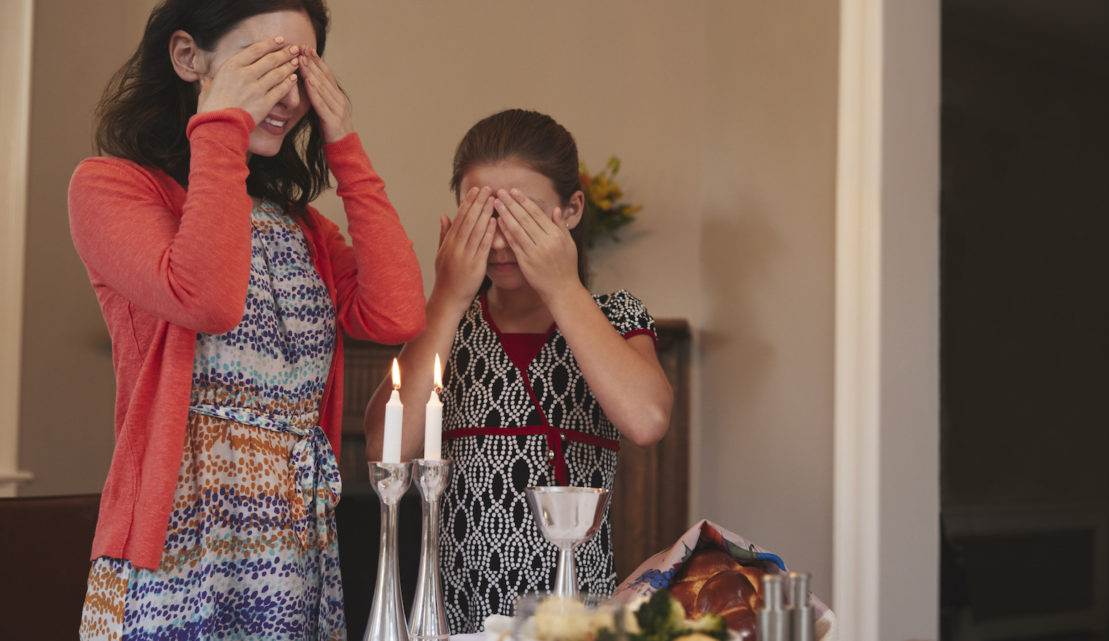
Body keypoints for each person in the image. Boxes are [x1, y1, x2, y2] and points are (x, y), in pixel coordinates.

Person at [68, 1, 425, 639]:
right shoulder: (112, 188)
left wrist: (345, 145)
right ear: (187, 57)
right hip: (179, 545)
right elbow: (207, 297)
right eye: (262, 64)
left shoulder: (303, 226)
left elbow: (395, 312)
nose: (285, 96)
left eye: (301, 73)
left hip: (296, 550)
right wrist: (221, 128)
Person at [363, 109, 673, 633]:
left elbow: (646, 419)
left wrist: (561, 286)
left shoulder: (615, 316)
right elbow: (384, 454)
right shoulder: (446, 324)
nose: (502, 239)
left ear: (571, 210)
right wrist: (446, 298)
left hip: (572, 619)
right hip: (452, 614)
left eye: (522, 215)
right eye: (481, 215)